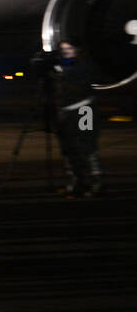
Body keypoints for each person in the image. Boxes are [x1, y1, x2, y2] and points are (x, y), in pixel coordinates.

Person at [51, 42, 103, 197]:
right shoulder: (64, 66)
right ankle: (77, 181)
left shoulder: (84, 66)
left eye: (69, 48)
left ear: (77, 50)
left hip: (84, 110)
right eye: (63, 49)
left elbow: (83, 87)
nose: (66, 52)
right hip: (67, 112)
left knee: (87, 146)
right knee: (68, 148)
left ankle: (95, 182)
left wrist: (63, 75)